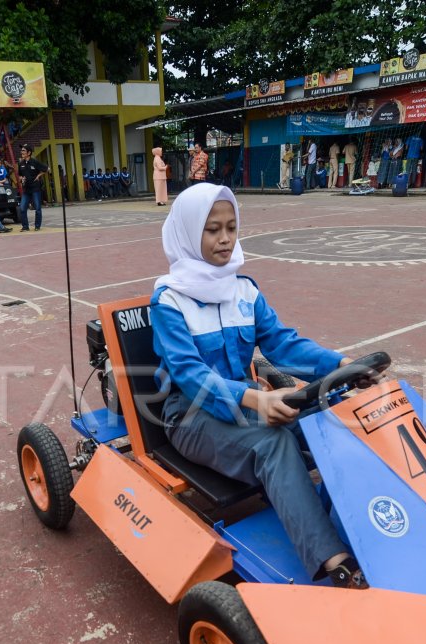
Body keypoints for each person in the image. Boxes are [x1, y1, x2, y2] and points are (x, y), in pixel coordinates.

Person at [151, 184, 371, 589]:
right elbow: (191, 376)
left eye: (231, 227)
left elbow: (283, 343)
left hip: (248, 400)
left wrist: (341, 364)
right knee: (274, 443)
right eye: (212, 229)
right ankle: (333, 562)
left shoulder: (243, 290)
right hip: (191, 416)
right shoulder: (170, 302)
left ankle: (372, 521)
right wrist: (254, 398)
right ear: (187, 233)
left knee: (331, 417)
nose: (225, 238)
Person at [16, 143, 48, 231]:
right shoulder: (21, 163)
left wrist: (39, 175)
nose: (21, 152)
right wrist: (21, 179)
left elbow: (47, 169)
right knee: (22, 208)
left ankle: (37, 226)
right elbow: (20, 175)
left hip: (35, 189)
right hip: (26, 189)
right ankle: (25, 227)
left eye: (23, 150)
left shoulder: (35, 162)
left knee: (37, 208)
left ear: (29, 153)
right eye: (21, 150)